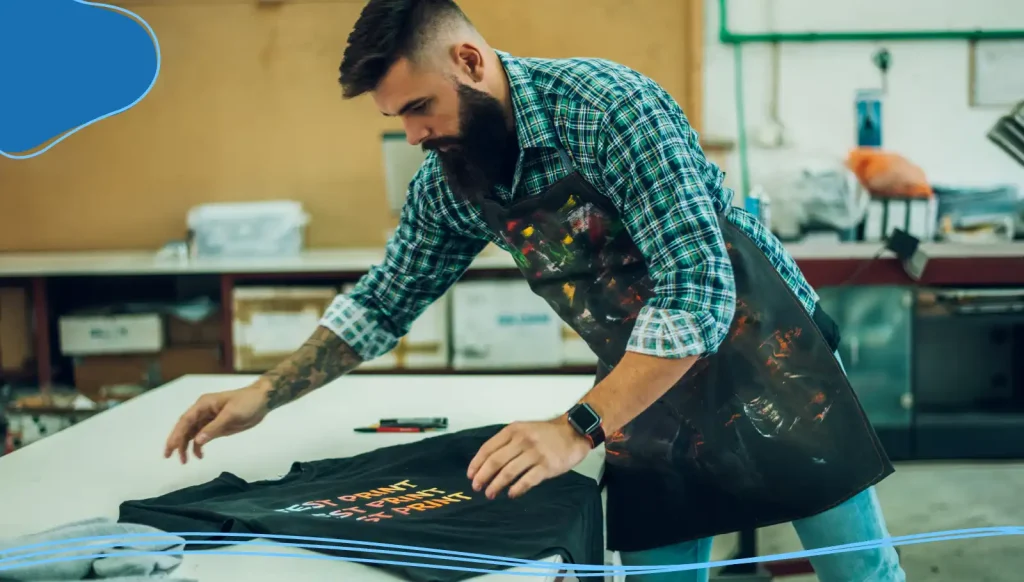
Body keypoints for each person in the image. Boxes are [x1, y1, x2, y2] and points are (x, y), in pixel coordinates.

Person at [164, 1, 906, 580]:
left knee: (856, 567)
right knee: (655, 576)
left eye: (421, 107)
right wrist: (264, 393)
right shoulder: (455, 175)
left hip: (770, 360)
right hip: (643, 390)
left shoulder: (611, 108)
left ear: (468, 60)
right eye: (397, 120)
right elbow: (386, 296)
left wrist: (573, 426)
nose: (414, 135)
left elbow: (696, 293)